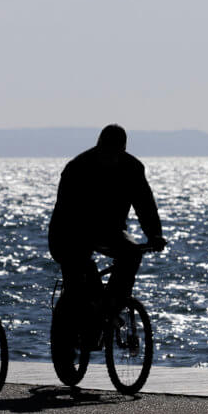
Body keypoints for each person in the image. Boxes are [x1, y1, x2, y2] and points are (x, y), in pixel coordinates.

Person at [48, 124, 166, 319]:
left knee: (133, 254)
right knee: (79, 275)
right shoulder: (77, 168)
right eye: (106, 152)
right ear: (98, 146)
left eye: (115, 152)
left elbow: (145, 205)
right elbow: (65, 212)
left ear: (123, 150)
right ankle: (75, 322)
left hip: (110, 231)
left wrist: (154, 234)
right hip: (69, 232)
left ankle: (112, 307)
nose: (110, 158)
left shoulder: (132, 168)